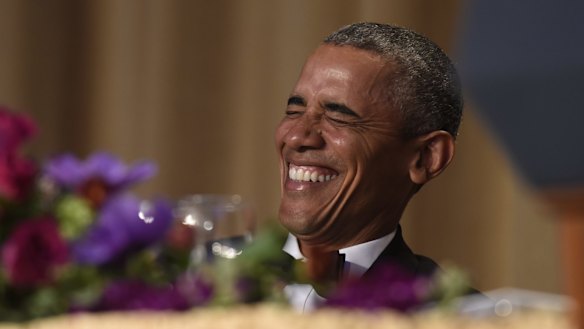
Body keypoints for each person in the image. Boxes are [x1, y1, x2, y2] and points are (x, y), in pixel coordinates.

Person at [274, 22, 464, 311]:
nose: (297, 136)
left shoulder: (457, 316)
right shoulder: (195, 274)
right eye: (294, 110)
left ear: (426, 157)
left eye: (339, 117)